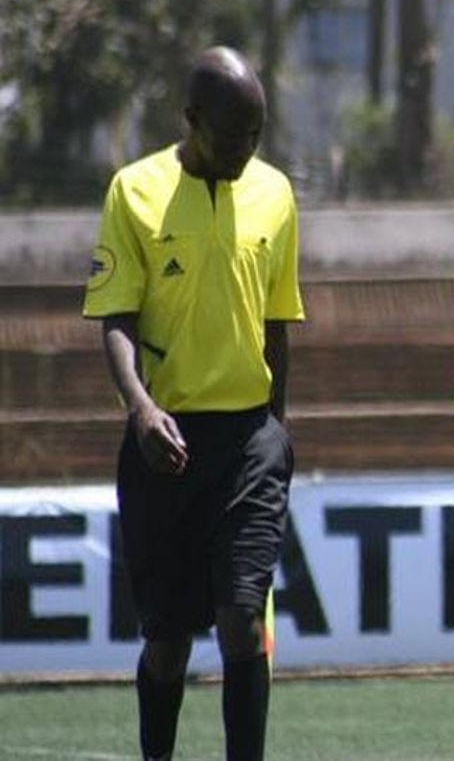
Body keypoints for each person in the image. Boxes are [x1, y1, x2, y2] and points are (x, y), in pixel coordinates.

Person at [82, 46, 304, 761]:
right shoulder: (133, 191)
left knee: (243, 619)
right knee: (169, 642)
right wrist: (140, 408)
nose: (246, 149)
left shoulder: (276, 193)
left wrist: (278, 430)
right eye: (233, 132)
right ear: (192, 120)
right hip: (165, 443)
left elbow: (278, 323)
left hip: (249, 442)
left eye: (256, 134)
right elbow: (115, 316)